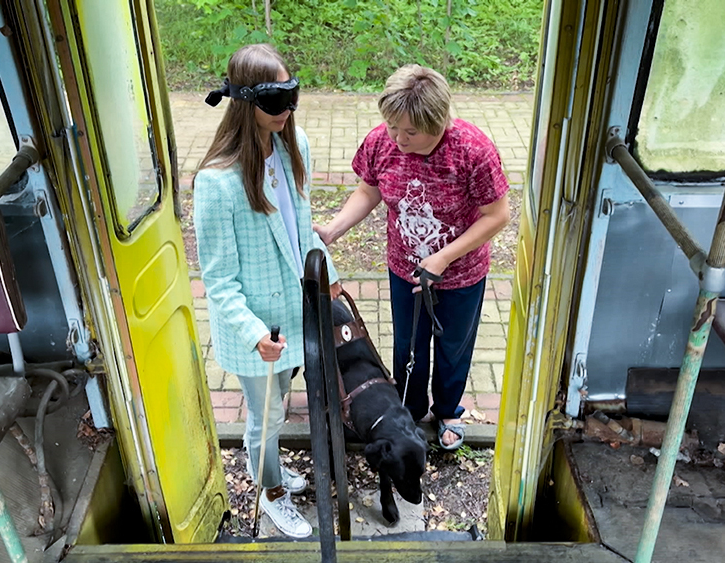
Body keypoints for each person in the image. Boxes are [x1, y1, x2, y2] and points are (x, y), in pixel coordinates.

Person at [316, 64, 510, 451]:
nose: (398, 138)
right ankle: (410, 406)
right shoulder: (381, 143)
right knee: (407, 345)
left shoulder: (473, 150)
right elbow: (368, 191)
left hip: (461, 273)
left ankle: (448, 410)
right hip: (404, 267)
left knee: (453, 345)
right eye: (392, 126)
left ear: (438, 123)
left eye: (410, 132)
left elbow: (498, 215)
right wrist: (333, 229)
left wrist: (443, 257)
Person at [194, 43, 341, 538]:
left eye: (292, 96)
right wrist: (254, 331)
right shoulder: (217, 182)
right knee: (265, 415)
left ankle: (272, 471)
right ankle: (270, 490)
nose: (288, 110)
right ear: (244, 101)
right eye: (276, 101)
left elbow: (302, 228)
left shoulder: (290, 143)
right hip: (256, 327)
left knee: (281, 404)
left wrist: (330, 271)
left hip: (293, 312)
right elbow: (217, 278)